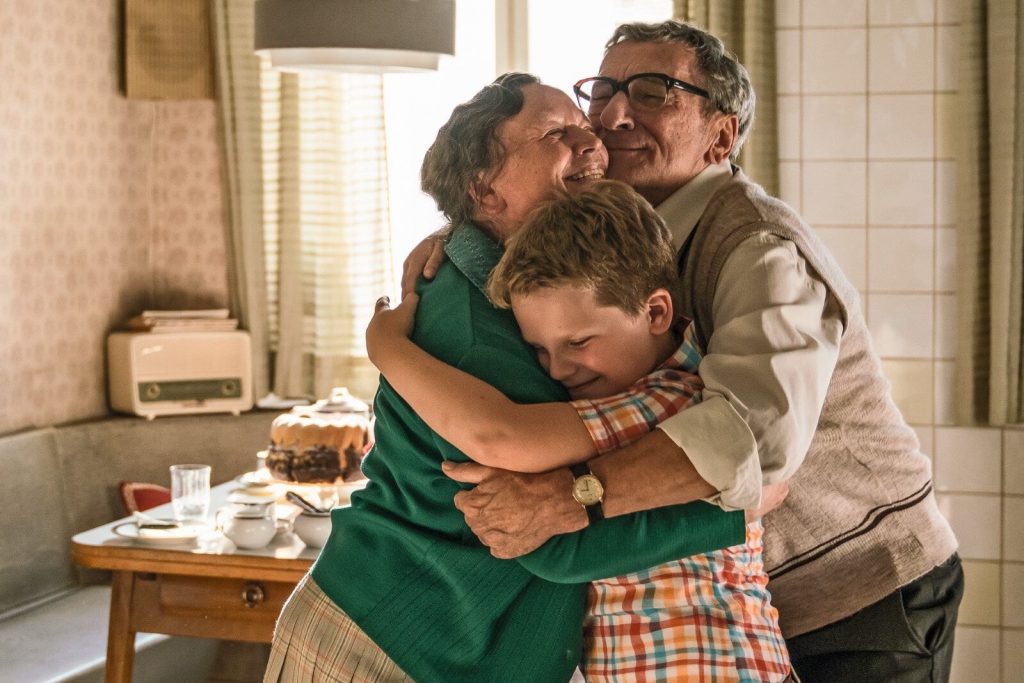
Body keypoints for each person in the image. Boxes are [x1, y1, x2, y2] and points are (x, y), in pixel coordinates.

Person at [417, 21, 962, 682]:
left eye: (653, 93)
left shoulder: (756, 245)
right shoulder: (621, 233)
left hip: (864, 587)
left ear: (721, 138)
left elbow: (752, 441)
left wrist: (573, 495)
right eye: (604, 91)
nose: (614, 116)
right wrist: (458, 235)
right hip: (752, 603)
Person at [264, 73, 745, 683]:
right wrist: (735, 508)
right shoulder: (475, 327)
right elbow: (540, 513)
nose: (593, 142)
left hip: (433, 646)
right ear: (483, 189)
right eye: (555, 134)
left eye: (584, 126)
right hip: (382, 644)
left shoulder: (542, 289)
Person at [368, 180, 791, 681]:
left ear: (656, 312)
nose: (558, 368)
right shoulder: (627, 391)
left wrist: (387, 349)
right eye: (540, 350)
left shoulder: (671, 398)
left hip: (715, 665)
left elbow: (501, 437)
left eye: (578, 342)